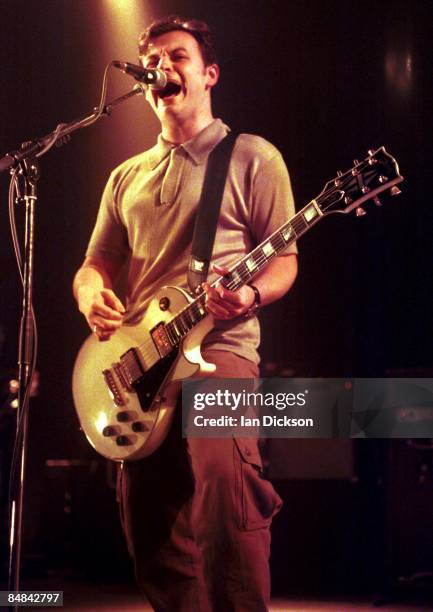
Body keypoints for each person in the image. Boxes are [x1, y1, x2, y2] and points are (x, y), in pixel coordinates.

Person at [73, 15, 298, 612]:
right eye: (153, 58)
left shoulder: (252, 156)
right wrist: (89, 292)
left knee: (226, 490)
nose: (163, 66)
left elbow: (286, 260)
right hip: (138, 355)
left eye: (178, 55)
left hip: (218, 345)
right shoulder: (126, 176)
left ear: (209, 74)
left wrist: (248, 296)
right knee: (148, 520)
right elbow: (96, 262)